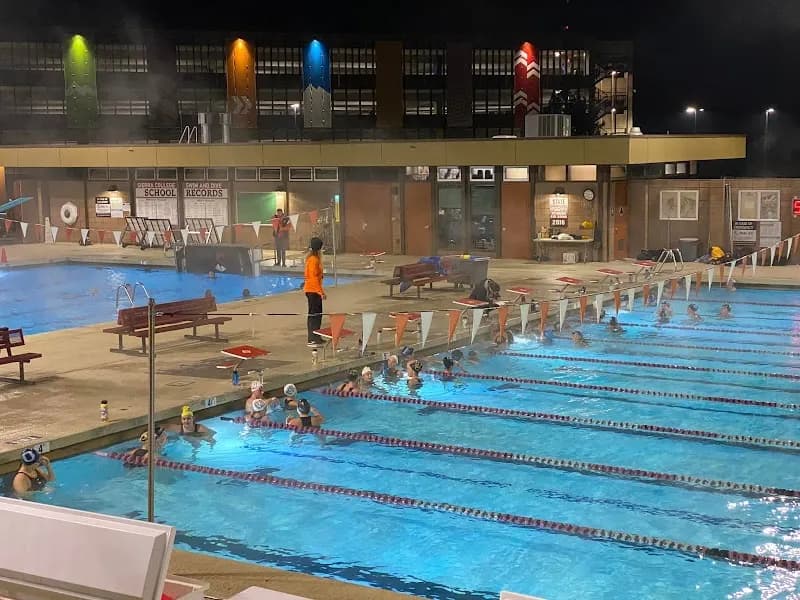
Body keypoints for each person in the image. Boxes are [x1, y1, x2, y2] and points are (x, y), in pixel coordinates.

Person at [304, 237, 326, 347]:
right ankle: (312, 338)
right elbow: (313, 279)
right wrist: (320, 292)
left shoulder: (312, 259)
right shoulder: (313, 260)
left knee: (317, 315)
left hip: (313, 290)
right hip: (312, 291)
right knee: (314, 315)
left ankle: (316, 336)